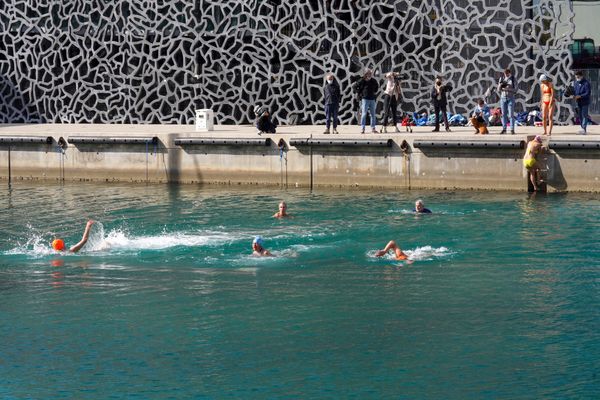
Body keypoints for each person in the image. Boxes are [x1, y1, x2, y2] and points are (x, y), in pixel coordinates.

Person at [355, 69, 379, 134]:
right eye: (368, 73)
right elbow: (355, 86)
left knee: (373, 114)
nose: (370, 74)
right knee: (364, 114)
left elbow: (377, 87)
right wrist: (360, 93)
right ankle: (363, 128)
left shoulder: (373, 80)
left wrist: (374, 92)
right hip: (365, 99)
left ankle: (373, 128)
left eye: (370, 73)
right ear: (365, 74)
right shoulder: (362, 80)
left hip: (372, 99)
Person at [497, 68, 517, 134]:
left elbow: (516, 90)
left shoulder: (513, 79)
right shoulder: (502, 78)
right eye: (505, 74)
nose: (506, 75)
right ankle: (504, 129)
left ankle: (512, 129)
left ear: (509, 73)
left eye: (507, 74)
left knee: (511, 114)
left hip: (510, 98)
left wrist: (508, 89)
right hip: (503, 98)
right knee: (503, 114)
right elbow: (498, 90)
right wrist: (500, 86)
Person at [573, 70, 591, 135]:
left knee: (584, 115)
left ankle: (584, 128)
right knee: (580, 116)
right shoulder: (576, 83)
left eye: (578, 77)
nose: (577, 78)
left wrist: (580, 96)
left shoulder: (586, 83)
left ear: (581, 76)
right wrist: (573, 95)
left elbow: (587, 93)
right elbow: (575, 91)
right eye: (576, 77)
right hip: (578, 102)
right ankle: (582, 128)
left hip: (585, 102)